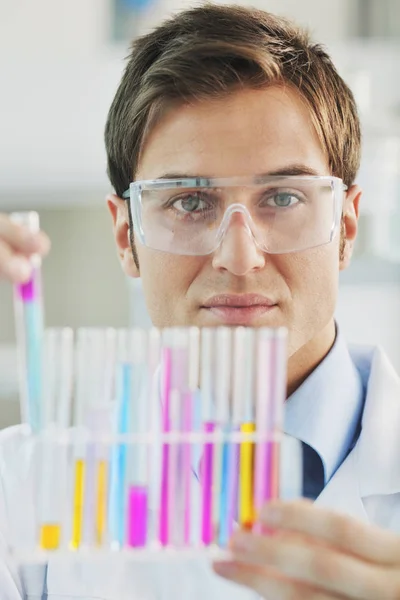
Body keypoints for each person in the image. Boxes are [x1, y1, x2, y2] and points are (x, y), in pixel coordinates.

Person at [0, 4, 400, 599]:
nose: (239, 256)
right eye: (189, 202)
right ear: (126, 236)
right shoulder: (24, 485)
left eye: (284, 198)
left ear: (345, 226)